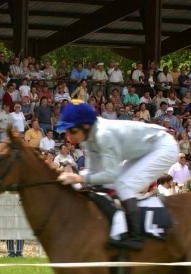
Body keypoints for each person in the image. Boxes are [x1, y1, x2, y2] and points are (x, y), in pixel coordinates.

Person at [54, 102, 178, 250]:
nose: (67, 137)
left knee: (124, 185)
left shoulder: (103, 135)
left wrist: (79, 178)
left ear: (85, 126)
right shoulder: (88, 138)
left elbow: (110, 175)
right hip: (143, 150)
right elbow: (94, 174)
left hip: (164, 147)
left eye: (72, 131)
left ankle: (135, 237)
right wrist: (77, 179)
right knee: (113, 184)